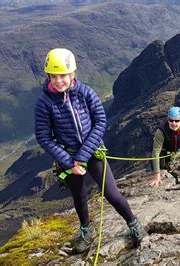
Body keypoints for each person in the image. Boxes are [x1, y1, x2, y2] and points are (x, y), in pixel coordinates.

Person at [35, 48, 143, 254]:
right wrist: (69, 163)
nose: (59, 81)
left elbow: (100, 122)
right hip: (67, 157)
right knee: (79, 196)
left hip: (92, 152)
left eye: (63, 75)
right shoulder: (44, 103)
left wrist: (82, 157)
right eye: (54, 76)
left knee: (111, 193)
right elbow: (44, 137)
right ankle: (86, 231)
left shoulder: (86, 93)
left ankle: (134, 224)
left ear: (72, 73)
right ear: (48, 76)